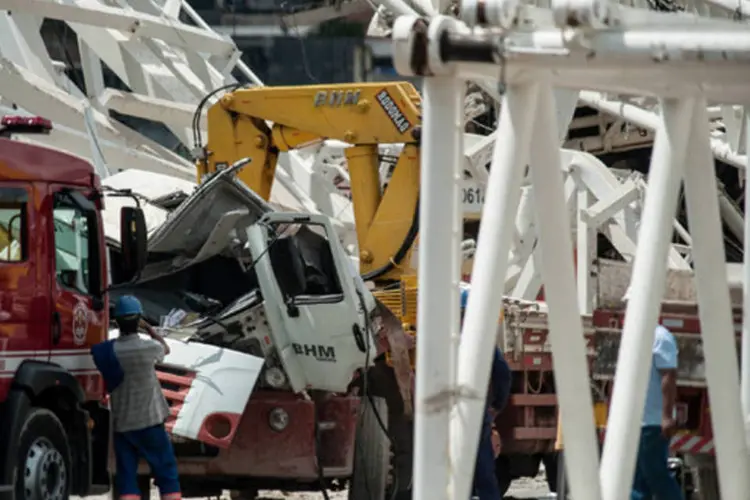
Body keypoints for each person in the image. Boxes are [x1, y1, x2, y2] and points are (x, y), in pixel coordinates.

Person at [91, 295, 181, 500]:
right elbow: (165, 349)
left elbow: (96, 352)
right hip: (150, 421)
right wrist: (150, 329)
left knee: (127, 475)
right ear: (139, 319)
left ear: (117, 321)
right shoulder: (149, 348)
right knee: (166, 471)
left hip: (123, 424)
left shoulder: (107, 351)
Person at [626, 288, 684, 500]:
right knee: (637, 480)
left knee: (655, 475)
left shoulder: (660, 337)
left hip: (651, 421)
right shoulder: (636, 336)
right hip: (637, 421)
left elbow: (668, 377)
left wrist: (666, 417)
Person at [460, 284, 512, 500]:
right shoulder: (482, 343)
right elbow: (503, 374)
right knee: (483, 473)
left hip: (441, 413)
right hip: (475, 411)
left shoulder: (440, 339)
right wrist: (496, 405)